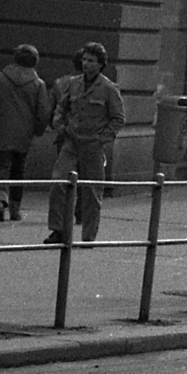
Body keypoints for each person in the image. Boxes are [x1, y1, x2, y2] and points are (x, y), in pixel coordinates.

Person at [45, 42, 125, 244]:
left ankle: (88, 236)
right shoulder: (74, 83)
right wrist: (59, 124)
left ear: (100, 64)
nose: (86, 64)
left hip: (93, 145)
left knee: (91, 191)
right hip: (71, 142)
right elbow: (62, 107)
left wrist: (102, 138)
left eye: (91, 61)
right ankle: (59, 230)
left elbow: (118, 118)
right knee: (58, 182)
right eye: (84, 60)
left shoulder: (108, 88)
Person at [0, 44, 53, 222]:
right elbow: (43, 112)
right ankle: (15, 208)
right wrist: (37, 129)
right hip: (24, 132)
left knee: (1, 166)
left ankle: (0, 199)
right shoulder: (38, 84)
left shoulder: (0, 78)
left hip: (2, 129)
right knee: (18, 169)